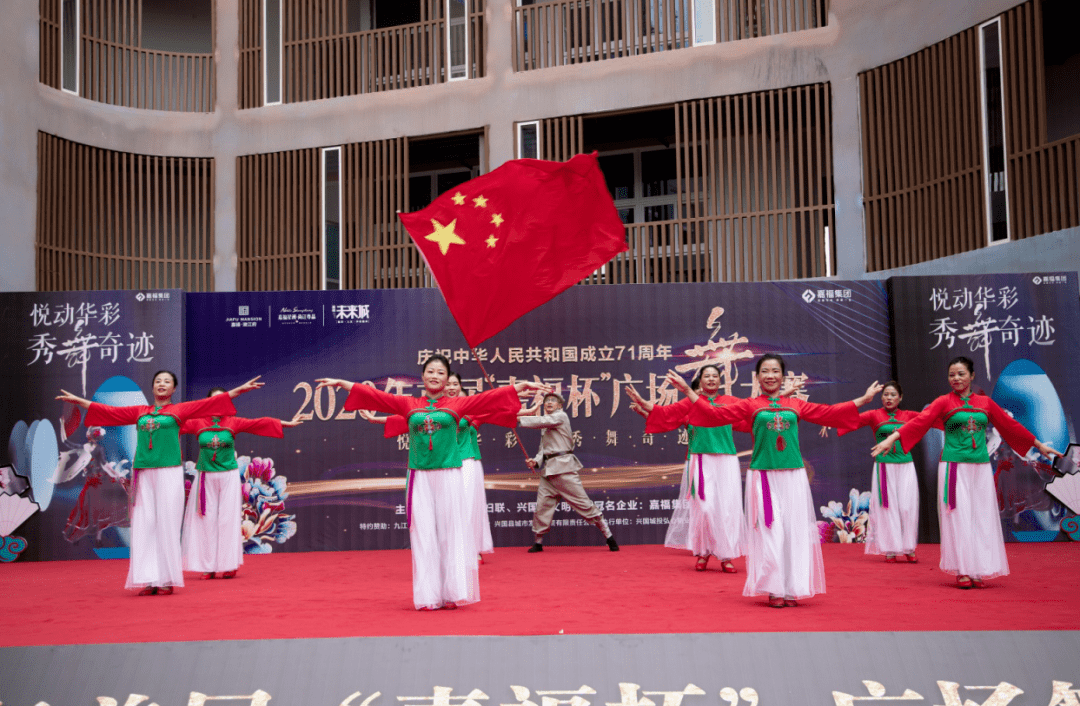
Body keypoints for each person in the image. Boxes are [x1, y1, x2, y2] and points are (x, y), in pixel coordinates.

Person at [316, 356, 548, 610]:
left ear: (447, 379)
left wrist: (519, 387)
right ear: (423, 376)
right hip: (419, 476)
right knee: (423, 534)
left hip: (449, 474)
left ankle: (453, 593)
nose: (435, 376)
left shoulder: (458, 404)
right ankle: (428, 596)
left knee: (451, 533)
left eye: (440, 372)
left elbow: (489, 398)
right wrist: (344, 384)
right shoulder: (409, 404)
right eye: (430, 371)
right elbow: (377, 396)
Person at [669, 355, 881, 608]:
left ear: (783, 376)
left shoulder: (795, 405)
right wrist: (688, 392)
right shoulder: (750, 405)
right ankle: (774, 587)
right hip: (763, 476)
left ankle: (792, 587)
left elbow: (829, 413)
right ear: (757, 377)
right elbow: (714, 414)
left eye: (775, 371)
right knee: (770, 530)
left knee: (793, 532)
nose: (770, 376)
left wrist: (863, 400)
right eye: (765, 371)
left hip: (793, 476)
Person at [56, 372, 264, 595]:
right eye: (158, 381)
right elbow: (110, 412)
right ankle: (149, 579)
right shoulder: (140, 412)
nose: (161, 384)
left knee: (167, 524)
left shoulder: (180, 410)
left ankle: (166, 578)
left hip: (168, 472)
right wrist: (79, 401)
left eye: (167, 381)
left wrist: (239, 390)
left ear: (173, 389)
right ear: (153, 387)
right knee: (145, 525)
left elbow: (208, 404)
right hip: (144, 472)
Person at [871, 356, 1060, 589]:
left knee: (981, 517)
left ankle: (977, 569)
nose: (956, 378)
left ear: (971, 376)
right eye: (952, 375)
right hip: (954, 467)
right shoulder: (943, 402)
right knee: (958, 517)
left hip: (980, 467)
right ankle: (962, 569)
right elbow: (919, 422)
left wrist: (1038, 445)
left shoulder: (985, 403)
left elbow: (1009, 426)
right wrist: (892, 438)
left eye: (961, 374)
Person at [360, 371, 494, 562]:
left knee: (465, 507)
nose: (452, 388)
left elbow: (494, 410)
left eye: (455, 384)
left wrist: (524, 406)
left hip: (464, 463)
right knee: (440, 512)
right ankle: (444, 552)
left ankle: (469, 549)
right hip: (438, 466)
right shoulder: (429, 410)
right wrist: (376, 420)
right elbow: (405, 420)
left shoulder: (466, 408)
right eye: (449, 384)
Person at [625, 365, 747, 572]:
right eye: (707, 376)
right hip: (700, 460)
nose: (711, 379)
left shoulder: (731, 402)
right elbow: (667, 415)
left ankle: (726, 555)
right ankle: (703, 551)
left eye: (715, 376)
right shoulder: (691, 402)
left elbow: (753, 416)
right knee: (703, 509)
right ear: (701, 380)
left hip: (726, 460)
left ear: (721, 380)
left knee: (726, 510)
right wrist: (644, 405)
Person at [180, 387, 303, 580]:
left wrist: (284, 424)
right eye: (214, 400)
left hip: (228, 476)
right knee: (206, 520)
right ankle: (208, 566)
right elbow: (173, 425)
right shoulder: (198, 423)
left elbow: (257, 424)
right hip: (205, 477)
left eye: (222, 400)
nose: (218, 404)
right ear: (207, 402)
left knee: (227, 520)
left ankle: (228, 564)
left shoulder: (233, 422)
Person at [517, 392, 618, 553]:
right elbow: (544, 449)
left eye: (553, 400)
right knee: (542, 508)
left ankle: (609, 536)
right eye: (547, 401)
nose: (549, 402)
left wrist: (517, 418)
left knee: (584, 504)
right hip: (548, 473)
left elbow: (542, 420)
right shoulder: (546, 425)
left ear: (560, 405)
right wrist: (535, 461)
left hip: (564, 469)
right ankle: (538, 542)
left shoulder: (560, 416)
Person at [835, 381, 922, 562]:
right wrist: (829, 422)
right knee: (887, 508)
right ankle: (891, 548)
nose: (889, 398)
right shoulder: (874, 415)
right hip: (884, 467)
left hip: (906, 465)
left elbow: (930, 419)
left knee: (907, 507)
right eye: (885, 395)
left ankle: (908, 547)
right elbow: (851, 421)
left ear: (900, 398)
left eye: (893, 395)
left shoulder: (909, 415)